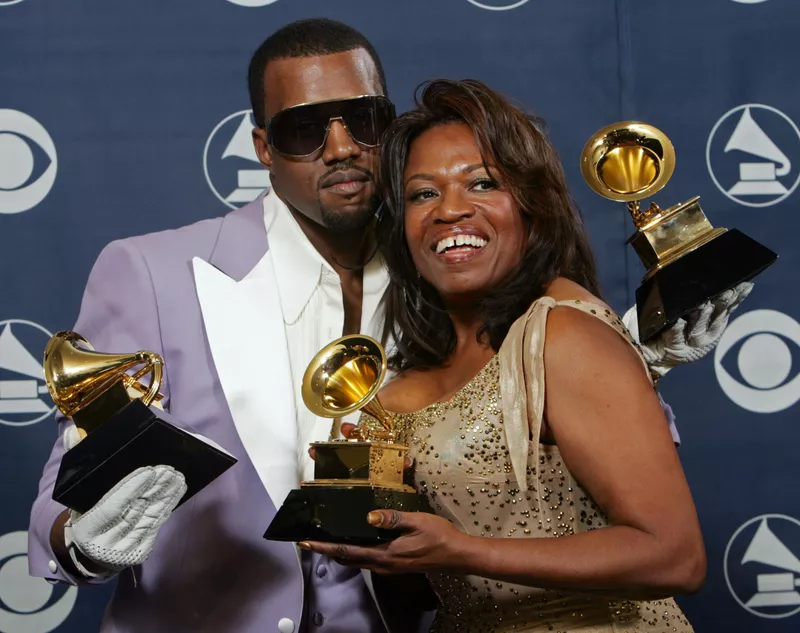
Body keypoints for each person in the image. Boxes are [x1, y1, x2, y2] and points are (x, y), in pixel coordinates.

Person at [27, 17, 743, 633]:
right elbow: (70, 484)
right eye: (304, 128)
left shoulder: (447, 268)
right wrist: (83, 541)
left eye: (362, 119)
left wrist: (631, 358)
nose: (340, 146)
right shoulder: (151, 272)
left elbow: (562, 449)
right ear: (263, 147)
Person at [299, 79, 708, 632]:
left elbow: (675, 557)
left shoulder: (561, 334)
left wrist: (463, 550)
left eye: (482, 183)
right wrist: (379, 517)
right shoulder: (399, 390)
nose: (450, 210)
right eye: (423, 194)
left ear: (531, 206)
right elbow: (418, 591)